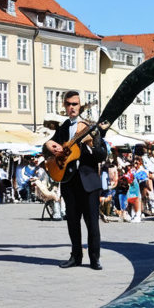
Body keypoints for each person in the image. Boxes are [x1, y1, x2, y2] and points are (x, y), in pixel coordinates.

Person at [46, 90, 108, 269]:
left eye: (75, 104)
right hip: (69, 181)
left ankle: (94, 258)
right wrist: (50, 147)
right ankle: (76, 256)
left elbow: (102, 154)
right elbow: (49, 146)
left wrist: (89, 147)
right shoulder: (64, 127)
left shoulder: (91, 127)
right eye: (68, 104)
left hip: (88, 182)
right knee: (72, 222)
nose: (71, 107)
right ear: (65, 106)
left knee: (92, 224)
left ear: (80, 106)